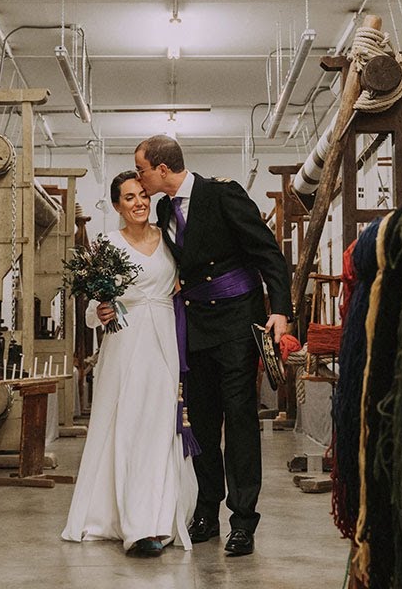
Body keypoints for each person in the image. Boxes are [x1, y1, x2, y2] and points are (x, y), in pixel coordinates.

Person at [134, 134, 292, 557]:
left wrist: (280, 309)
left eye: (141, 170)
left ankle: (243, 521)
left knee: (239, 419)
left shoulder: (222, 194)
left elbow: (268, 255)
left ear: (162, 169)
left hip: (237, 323)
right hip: (195, 327)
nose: (139, 177)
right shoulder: (165, 208)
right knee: (201, 423)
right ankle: (207, 510)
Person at [61, 171, 199, 557]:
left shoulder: (169, 240)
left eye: (142, 195)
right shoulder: (107, 244)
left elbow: (182, 284)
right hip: (124, 342)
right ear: (118, 205)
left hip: (165, 343)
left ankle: (157, 518)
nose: (139, 202)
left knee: (158, 427)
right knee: (125, 425)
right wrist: (100, 312)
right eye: (129, 197)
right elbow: (91, 312)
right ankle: (132, 524)